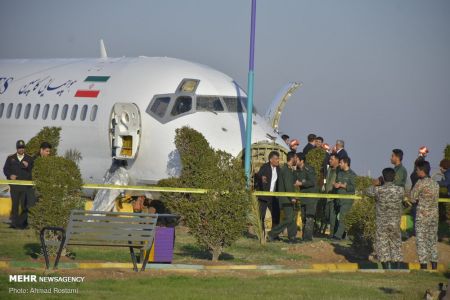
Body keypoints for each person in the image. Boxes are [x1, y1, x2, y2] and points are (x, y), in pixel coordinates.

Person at [366, 168, 404, 269]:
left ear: (383, 178)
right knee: (396, 244)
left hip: (382, 223)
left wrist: (377, 183)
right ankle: (398, 267)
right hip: (395, 223)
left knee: (383, 245)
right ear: (394, 177)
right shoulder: (400, 190)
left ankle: (387, 267)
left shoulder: (378, 190)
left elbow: (366, 191)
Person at [410, 160, 439, 270]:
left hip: (422, 216)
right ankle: (434, 266)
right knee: (432, 240)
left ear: (422, 171)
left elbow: (412, 198)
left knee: (421, 240)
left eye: (417, 170)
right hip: (434, 216)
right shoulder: (435, 183)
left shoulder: (420, 183)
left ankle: (424, 266)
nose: (416, 172)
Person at [3, 140, 35, 229]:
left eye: (22, 148)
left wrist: (28, 165)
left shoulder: (29, 158)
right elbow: (5, 169)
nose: (21, 149)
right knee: (15, 205)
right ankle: (14, 224)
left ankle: (23, 224)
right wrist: (10, 175)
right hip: (14, 186)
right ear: (17, 148)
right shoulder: (10, 158)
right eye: (19, 148)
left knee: (25, 205)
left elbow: (33, 170)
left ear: (24, 148)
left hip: (25, 187)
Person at [268, 152, 298, 243]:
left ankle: (292, 237)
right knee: (289, 218)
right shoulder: (286, 170)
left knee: (291, 217)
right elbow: (288, 186)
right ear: (292, 158)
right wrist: (292, 197)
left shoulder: (288, 169)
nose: (297, 159)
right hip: (286, 198)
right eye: (296, 158)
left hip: (287, 197)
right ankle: (272, 234)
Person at [255, 151, 281, 233]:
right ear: (270, 160)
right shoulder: (265, 167)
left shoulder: (279, 169)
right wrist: (261, 178)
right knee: (261, 215)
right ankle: (261, 233)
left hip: (274, 196)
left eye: (278, 159)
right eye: (276, 159)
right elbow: (258, 175)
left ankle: (274, 234)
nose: (278, 160)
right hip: (264, 195)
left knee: (276, 215)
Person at [331, 156, 356, 240]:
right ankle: (338, 234)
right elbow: (337, 182)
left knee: (342, 217)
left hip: (347, 200)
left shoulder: (352, 175)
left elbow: (353, 187)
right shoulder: (340, 173)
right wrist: (335, 184)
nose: (339, 164)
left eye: (341, 162)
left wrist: (343, 186)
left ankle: (338, 236)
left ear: (346, 163)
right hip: (338, 199)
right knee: (335, 217)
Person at [294, 152, 317, 241]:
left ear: (302, 160)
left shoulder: (308, 169)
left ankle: (307, 238)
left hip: (311, 197)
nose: (295, 160)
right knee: (303, 217)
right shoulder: (297, 170)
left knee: (309, 217)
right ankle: (304, 237)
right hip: (303, 197)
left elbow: (312, 182)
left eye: (297, 158)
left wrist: (301, 183)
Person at [322, 153, 340, 236]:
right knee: (327, 215)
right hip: (327, 195)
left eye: (331, 159)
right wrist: (324, 185)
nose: (329, 161)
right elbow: (326, 178)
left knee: (333, 217)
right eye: (329, 159)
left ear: (337, 160)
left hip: (334, 197)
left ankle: (332, 235)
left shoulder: (339, 170)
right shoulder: (329, 169)